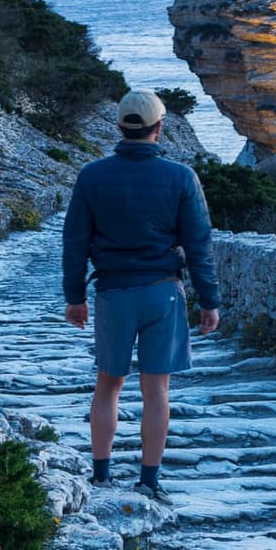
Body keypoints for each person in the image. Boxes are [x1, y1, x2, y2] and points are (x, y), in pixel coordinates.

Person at [62, 89, 221, 504]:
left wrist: (74, 297)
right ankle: (149, 481)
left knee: (108, 385)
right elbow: (199, 244)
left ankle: (100, 476)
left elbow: (75, 242)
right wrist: (209, 300)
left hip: (113, 292)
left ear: (120, 126)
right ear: (159, 127)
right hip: (162, 292)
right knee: (157, 390)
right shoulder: (181, 177)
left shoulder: (92, 176)